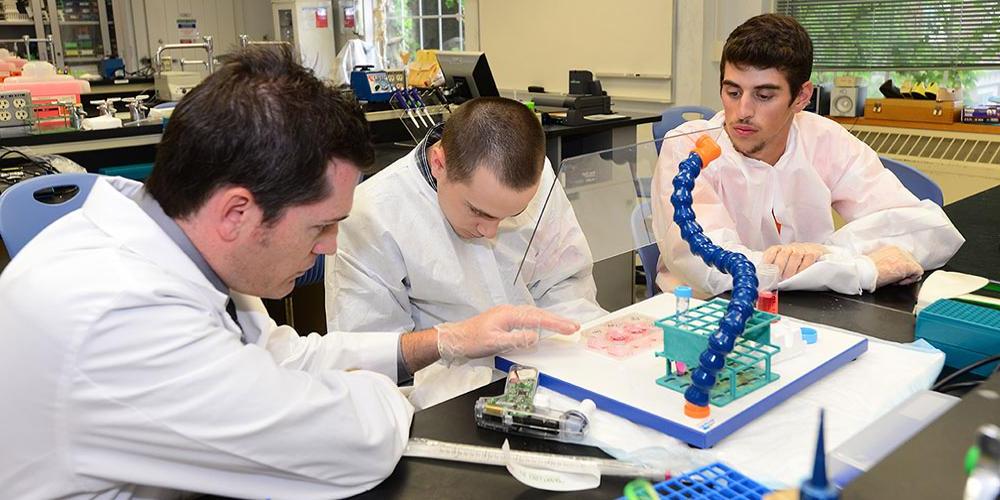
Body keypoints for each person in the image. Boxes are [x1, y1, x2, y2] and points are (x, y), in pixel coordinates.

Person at [0, 47, 578, 499]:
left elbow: (284, 355)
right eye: (320, 227)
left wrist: (447, 342)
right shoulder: (120, 318)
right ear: (237, 212)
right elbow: (351, 445)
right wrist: (383, 391)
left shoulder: (170, 234)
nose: (329, 249)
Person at [651, 13, 964, 298]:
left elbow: (931, 231)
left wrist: (820, 254)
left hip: (806, 311)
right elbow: (713, 269)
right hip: (705, 314)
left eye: (763, 95)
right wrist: (858, 268)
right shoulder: (687, 146)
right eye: (732, 92)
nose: (742, 112)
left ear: (800, 96)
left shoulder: (822, 138)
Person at [325, 96, 605, 406]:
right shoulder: (370, 217)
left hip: (547, 380)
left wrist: (582, 357)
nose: (491, 231)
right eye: (479, 212)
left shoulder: (536, 182)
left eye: (513, 214)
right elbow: (371, 363)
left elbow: (567, 284)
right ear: (438, 163)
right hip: (441, 400)